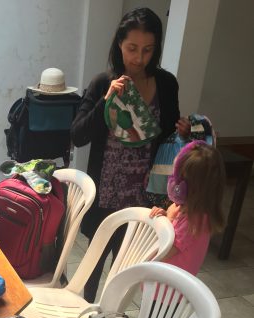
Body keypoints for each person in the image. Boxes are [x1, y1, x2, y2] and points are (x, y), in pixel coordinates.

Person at [71, 7, 190, 302]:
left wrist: (184, 133)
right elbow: (78, 135)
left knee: (128, 269)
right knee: (94, 268)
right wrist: (105, 101)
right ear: (119, 45)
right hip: (106, 196)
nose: (139, 58)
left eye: (148, 50)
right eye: (132, 48)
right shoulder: (103, 83)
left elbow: (166, 135)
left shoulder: (165, 84)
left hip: (146, 197)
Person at [150, 140, 226, 275]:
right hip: (162, 284)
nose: (173, 182)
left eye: (178, 178)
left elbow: (161, 253)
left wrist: (167, 220)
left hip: (167, 290)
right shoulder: (182, 208)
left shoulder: (194, 221)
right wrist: (163, 217)